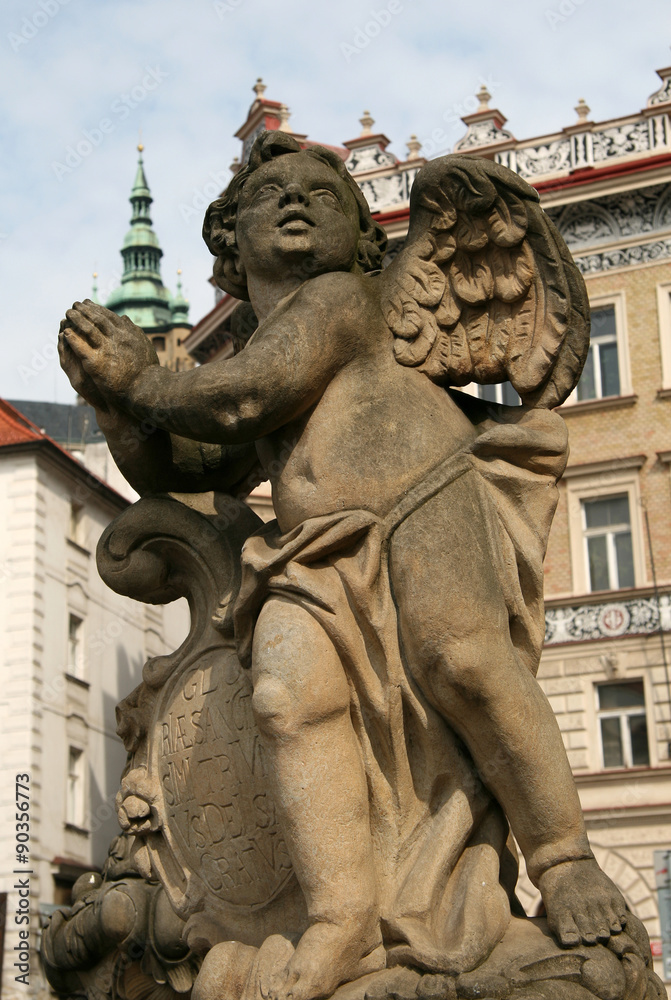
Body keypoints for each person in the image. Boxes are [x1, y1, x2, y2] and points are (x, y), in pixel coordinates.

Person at [60, 131, 627, 1000]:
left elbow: (243, 395)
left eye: (319, 196)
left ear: (363, 240)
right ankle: (340, 919)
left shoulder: (341, 301)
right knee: (286, 696)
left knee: (467, 665)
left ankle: (564, 861)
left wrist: (137, 378)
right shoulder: (266, 335)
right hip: (313, 553)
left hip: (420, 503)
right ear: (230, 243)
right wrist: (116, 402)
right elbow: (191, 466)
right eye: (269, 195)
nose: (293, 201)